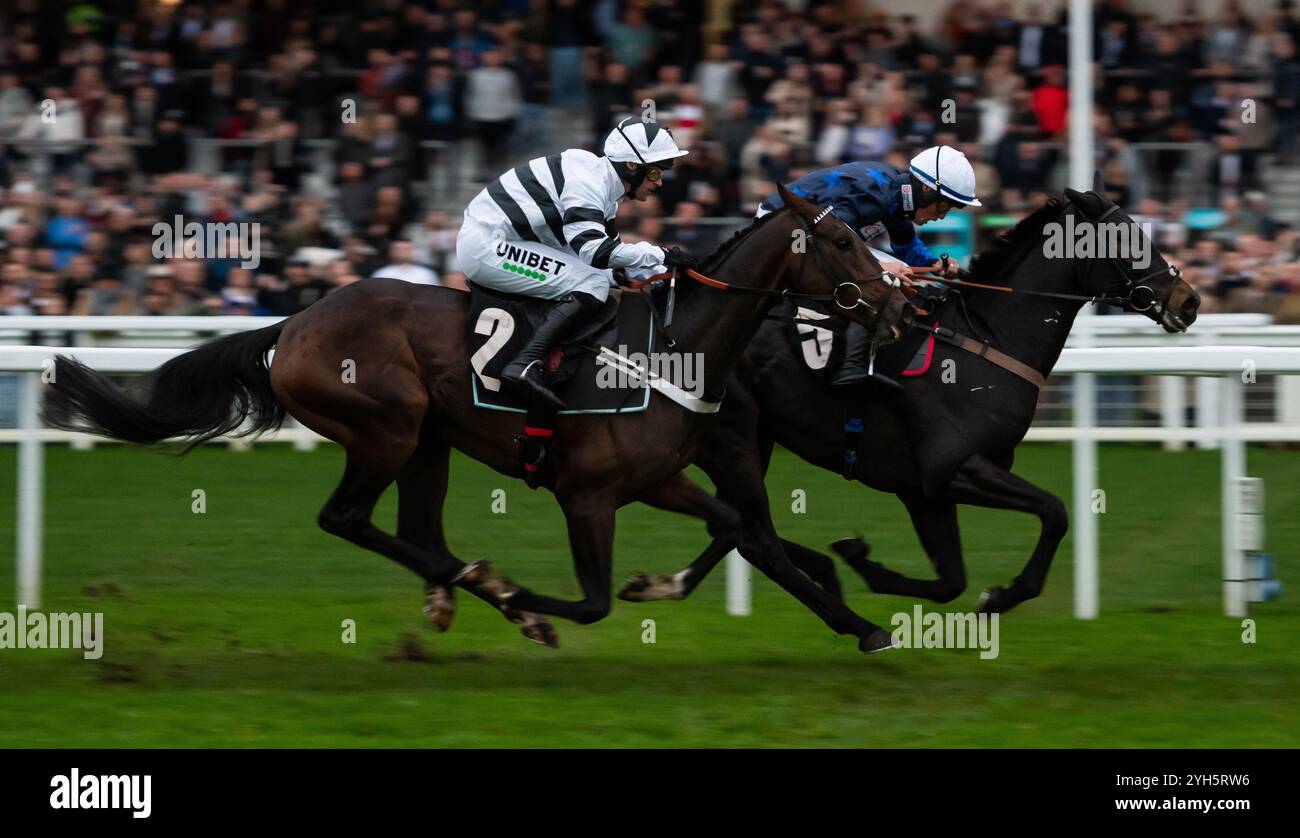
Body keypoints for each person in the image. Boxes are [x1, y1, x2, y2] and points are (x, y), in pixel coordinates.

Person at [456, 116, 697, 408]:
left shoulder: (605, 188)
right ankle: (525, 364)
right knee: (592, 281)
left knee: (599, 279)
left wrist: (662, 272)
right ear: (631, 166)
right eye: (657, 171)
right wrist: (660, 254)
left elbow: (607, 256)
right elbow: (595, 253)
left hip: (511, 241)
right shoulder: (589, 182)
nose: (659, 182)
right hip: (488, 246)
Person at [756, 145, 982, 388]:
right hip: (783, 228)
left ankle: (862, 360)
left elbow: (905, 245)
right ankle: (851, 367)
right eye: (944, 205)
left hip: (814, 234)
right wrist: (880, 267)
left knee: (894, 272)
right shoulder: (879, 193)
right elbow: (832, 245)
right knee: (883, 280)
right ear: (926, 188)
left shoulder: (898, 195)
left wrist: (934, 264)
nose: (942, 215)